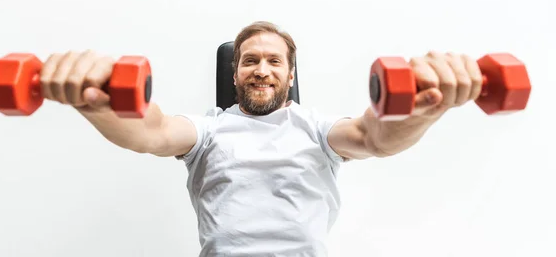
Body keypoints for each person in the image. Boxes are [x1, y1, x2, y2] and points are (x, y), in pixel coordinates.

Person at [39, 21, 484, 256]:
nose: (262, 69)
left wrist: (419, 106)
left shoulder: (317, 128)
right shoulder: (209, 129)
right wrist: (97, 100)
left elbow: (374, 137)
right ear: (234, 73)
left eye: (275, 61)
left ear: (291, 76)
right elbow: (151, 132)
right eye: (250, 60)